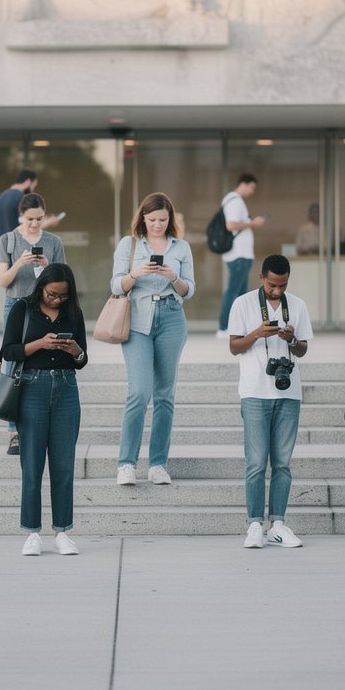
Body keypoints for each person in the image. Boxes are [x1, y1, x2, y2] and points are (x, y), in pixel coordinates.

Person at [0, 262, 88, 556]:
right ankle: (32, 533)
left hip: (66, 387)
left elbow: (82, 360)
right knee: (32, 464)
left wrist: (76, 351)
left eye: (63, 295)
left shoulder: (73, 313)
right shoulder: (22, 309)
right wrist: (39, 344)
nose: (57, 300)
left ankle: (62, 532)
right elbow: (9, 351)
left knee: (64, 465)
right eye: (52, 294)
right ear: (41, 288)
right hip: (31, 387)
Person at [227, 254, 313, 549]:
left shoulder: (297, 305)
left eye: (283, 285)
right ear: (261, 278)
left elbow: (302, 350)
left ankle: (277, 525)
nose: (277, 291)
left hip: (288, 393)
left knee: (282, 464)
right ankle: (254, 524)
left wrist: (291, 340)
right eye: (272, 285)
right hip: (254, 392)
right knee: (255, 463)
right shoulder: (242, 304)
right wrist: (257, 334)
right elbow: (234, 347)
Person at [112, 192, 195, 486]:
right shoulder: (129, 244)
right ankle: (126, 464)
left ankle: (158, 464)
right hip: (137, 320)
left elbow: (189, 290)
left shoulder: (181, 247)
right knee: (139, 392)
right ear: (143, 219)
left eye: (162, 219)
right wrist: (136, 273)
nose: (157, 225)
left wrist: (173, 277)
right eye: (152, 220)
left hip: (172, 318)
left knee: (165, 395)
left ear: (170, 219)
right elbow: (116, 285)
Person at [0, 192, 66, 454]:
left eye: (39, 219)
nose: (35, 224)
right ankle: (14, 431)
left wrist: (47, 267)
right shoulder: (8, 240)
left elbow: (63, 281)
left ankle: (40, 425)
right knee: (13, 363)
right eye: (30, 219)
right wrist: (20, 263)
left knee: (45, 361)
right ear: (20, 216)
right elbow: (3, 281)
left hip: (45, 307)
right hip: (16, 306)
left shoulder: (53, 241)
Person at [217, 173, 264, 339]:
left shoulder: (232, 200)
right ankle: (223, 328)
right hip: (239, 254)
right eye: (252, 187)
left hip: (240, 254)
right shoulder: (235, 201)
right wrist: (253, 223)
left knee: (242, 294)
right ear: (243, 184)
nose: (252, 192)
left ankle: (239, 328)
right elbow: (231, 225)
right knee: (233, 291)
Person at [0, 169, 62, 241]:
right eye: (33, 186)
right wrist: (49, 222)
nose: (32, 190)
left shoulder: (2, 197)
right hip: (17, 245)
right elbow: (28, 226)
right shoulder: (21, 197)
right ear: (28, 182)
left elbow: (14, 220)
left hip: (3, 244)